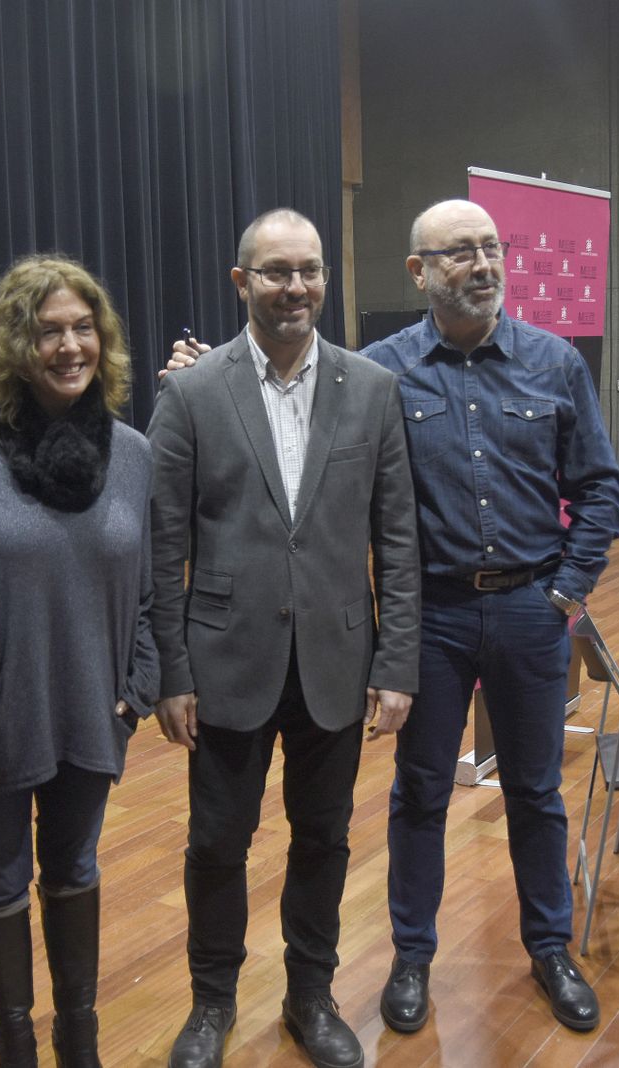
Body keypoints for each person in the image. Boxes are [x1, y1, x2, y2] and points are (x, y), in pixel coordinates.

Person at [167, 199, 619, 1034]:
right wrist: (204, 374)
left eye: (490, 247)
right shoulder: (380, 373)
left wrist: (565, 588)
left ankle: (550, 949)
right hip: (437, 617)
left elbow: (601, 489)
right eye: (459, 252)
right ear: (419, 272)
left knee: (535, 792)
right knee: (418, 793)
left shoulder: (555, 365)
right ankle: (410, 959)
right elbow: (274, 399)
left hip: (529, 608)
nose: (481, 264)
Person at [149, 209, 421, 1068]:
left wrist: (398, 661)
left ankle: (311, 996)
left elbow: (399, 537)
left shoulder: (371, 389)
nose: (294, 286)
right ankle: (211, 1004)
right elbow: (163, 547)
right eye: (275, 272)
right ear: (242, 283)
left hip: (338, 663)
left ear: (324, 280)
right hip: (227, 661)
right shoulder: (191, 393)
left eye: (307, 270)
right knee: (217, 843)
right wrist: (171, 669)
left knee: (325, 839)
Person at [0, 255, 159, 1067]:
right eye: (48, 332)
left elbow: (146, 591)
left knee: (74, 866)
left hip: (94, 710)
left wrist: (137, 689)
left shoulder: (133, 455)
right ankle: (16, 1050)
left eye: (83, 330)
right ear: (15, 345)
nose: (70, 347)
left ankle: (79, 1040)